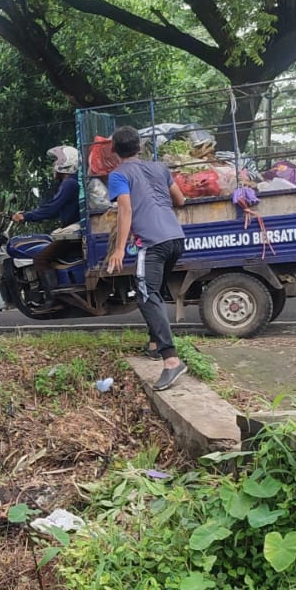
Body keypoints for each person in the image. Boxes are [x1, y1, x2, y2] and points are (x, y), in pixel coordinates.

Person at [103, 125, 189, 391]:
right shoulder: (160, 168)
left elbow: (125, 210)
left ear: (114, 150)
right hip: (176, 239)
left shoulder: (118, 174)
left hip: (152, 244)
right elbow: (181, 200)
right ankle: (154, 344)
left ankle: (171, 360)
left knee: (145, 293)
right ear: (139, 147)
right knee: (154, 290)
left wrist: (118, 249)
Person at [13, 146, 82, 293]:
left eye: (56, 161)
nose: (54, 165)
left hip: (72, 235)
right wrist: (28, 213)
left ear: (65, 162)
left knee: (40, 259)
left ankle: (52, 297)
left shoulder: (69, 183)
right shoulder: (71, 183)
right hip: (73, 230)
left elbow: (51, 209)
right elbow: (52, 209)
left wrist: (26, 216)